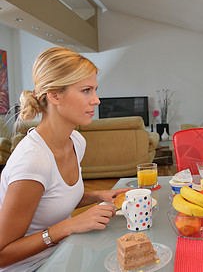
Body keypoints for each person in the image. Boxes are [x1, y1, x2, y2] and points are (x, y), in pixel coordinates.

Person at [0, 47, 129, 271]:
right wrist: (67, 226)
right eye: (86, 90)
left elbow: (51, 200)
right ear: (54, 95)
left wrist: (98, 195)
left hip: (63, 253)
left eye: (95, 89)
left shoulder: (76, 141)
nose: (96, 100)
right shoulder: (33, 161)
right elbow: (2, 254)